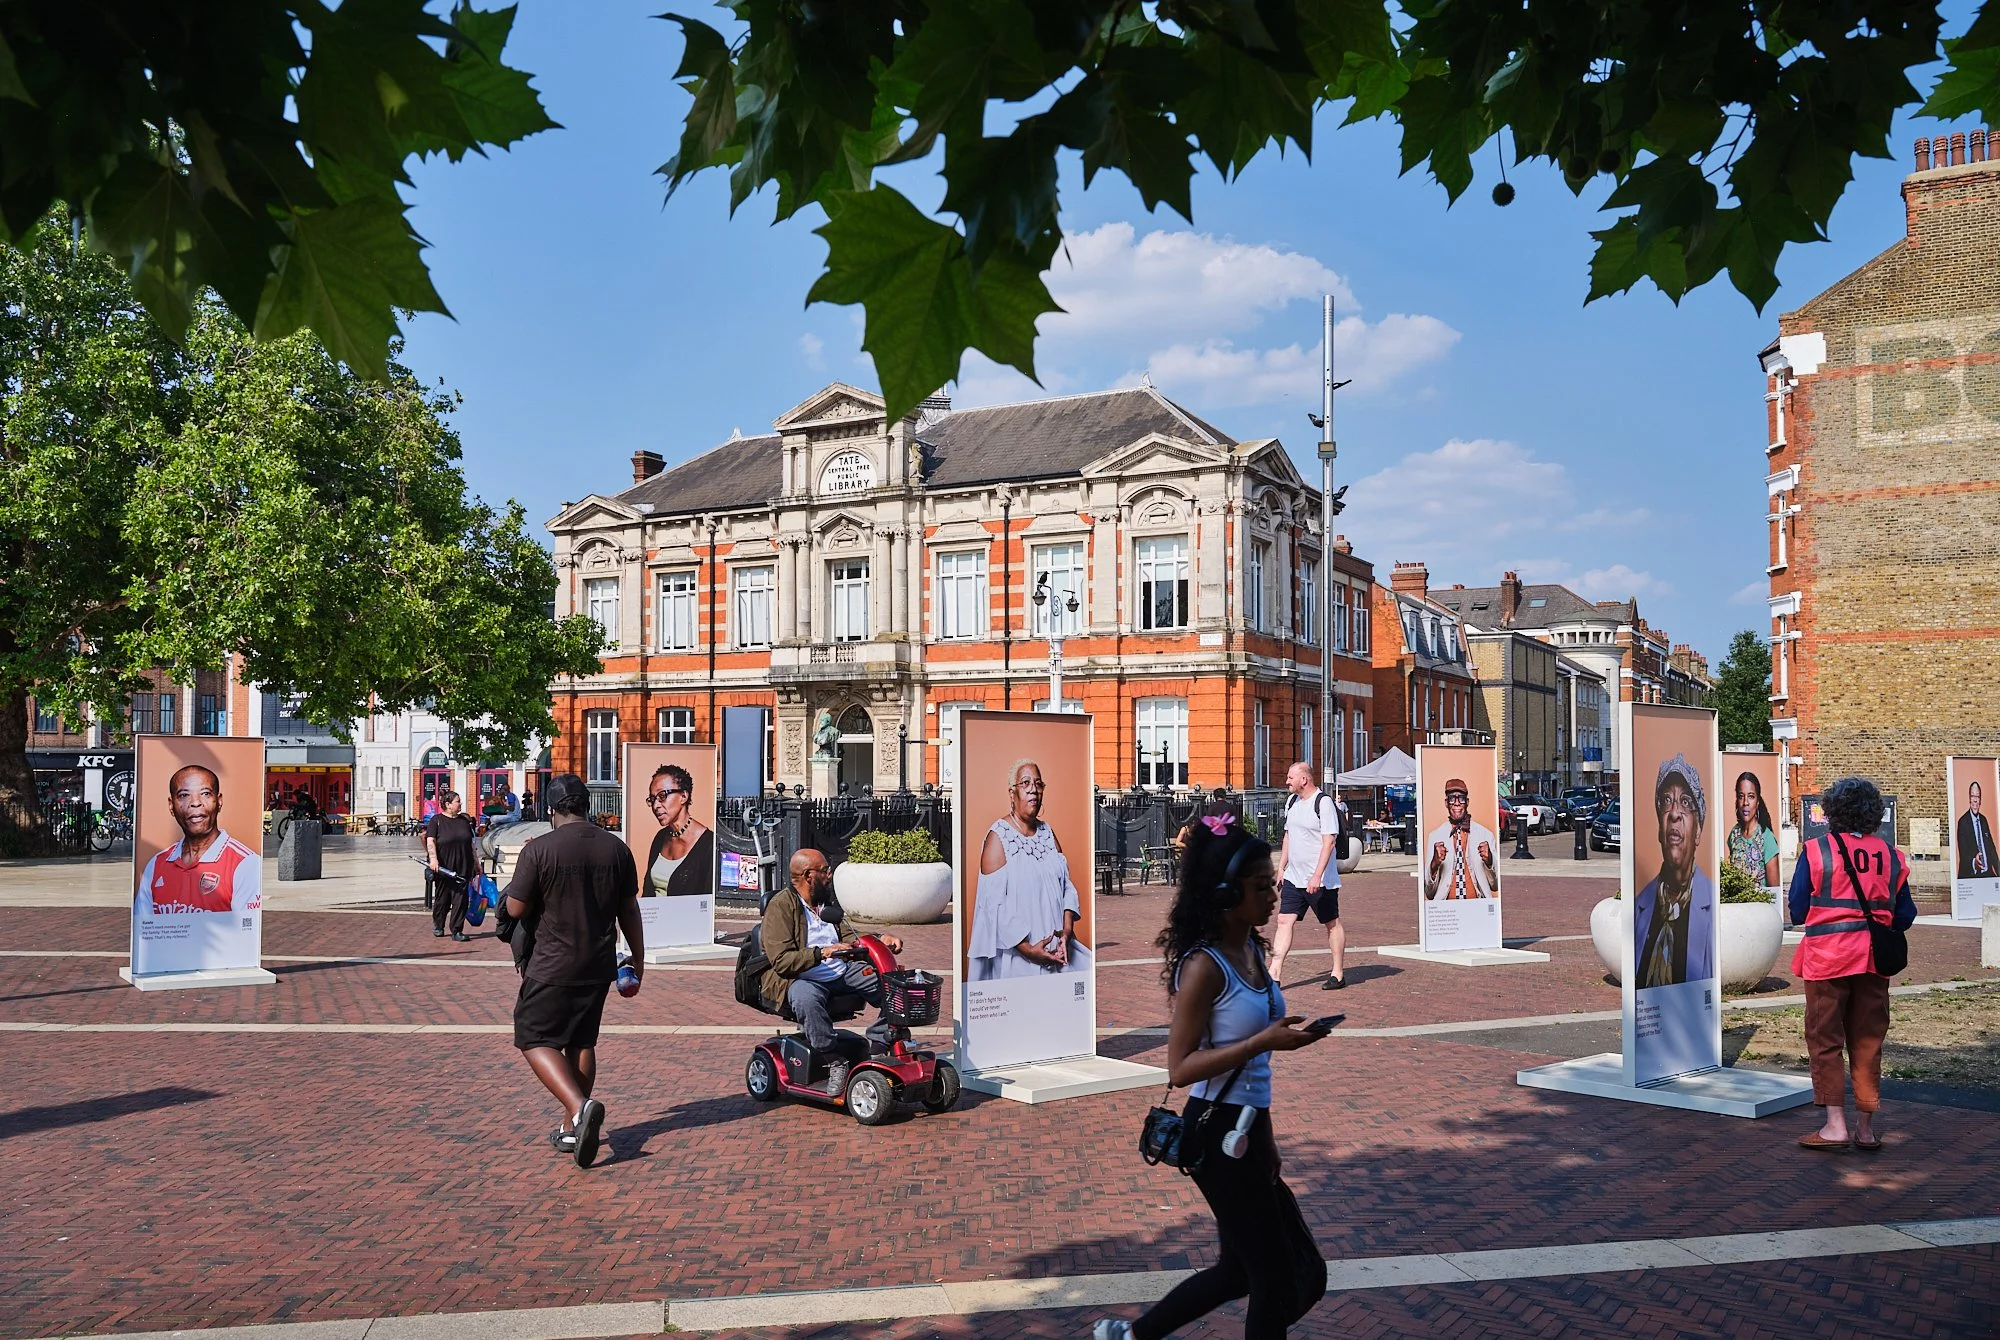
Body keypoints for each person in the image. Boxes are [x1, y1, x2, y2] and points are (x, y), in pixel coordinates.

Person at [1094, 814, 1328, 1340]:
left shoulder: (1253, 949)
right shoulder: (1204, 966)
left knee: (1238, 1271)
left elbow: (1255, 1070)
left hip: (1247, 1126)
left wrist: (1267, 1138)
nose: (1274, 895)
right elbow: (1179, 1067)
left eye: (1273, 883)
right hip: (1217, 1131)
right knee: (1273, 1278)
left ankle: (1132, 1337)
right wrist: (1261, 1041)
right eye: (1262, 886)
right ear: (1225, 891)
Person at [502, 773, 643, 1168]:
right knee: (581, 1041)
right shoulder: (617, 849)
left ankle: (580, 1108)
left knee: (532, 1036)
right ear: (587, 805)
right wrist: (639, 959)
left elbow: (515, 909)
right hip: (598, 962)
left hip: (551, 962)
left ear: (551, 810)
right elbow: (629, 910)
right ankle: (570, 1129)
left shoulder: (540, 850)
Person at [1788, 776, 1916, 1153]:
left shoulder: (1816, 851)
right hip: (1874, 961)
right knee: (1867, 1041)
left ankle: (1834, 1126)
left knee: (1826, 1040)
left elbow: (1797, 909)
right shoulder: (1891, 856)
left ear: (1832, 812)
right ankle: (1865, 1128)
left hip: (1827, 960)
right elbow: (1905, 914)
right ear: (1874, 813)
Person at [757, 848, 903, 1094]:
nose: (830, 874)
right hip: (801, 978)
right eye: (825, 870)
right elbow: (781, 961)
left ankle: (878, 1043)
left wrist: (879, 939)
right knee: (806, 997)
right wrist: (821, 952)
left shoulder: (825, 905)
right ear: (808, 875)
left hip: (841, 971)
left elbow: (849, 935)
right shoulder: (781, 907)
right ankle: (835, 1060)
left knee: (896, 988)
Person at [967, 759, 1089, 980]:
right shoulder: (999, 837)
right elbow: (993, 906)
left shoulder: (1048, 833)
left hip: (1058, 953)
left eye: (1038, 783)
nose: (1033, 788)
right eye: (1025, 783)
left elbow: (1066, 887)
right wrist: (1027, 950)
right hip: (1018, 960)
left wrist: (1067, 931)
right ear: (1011, 792)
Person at [1634, 753, 1717, 989]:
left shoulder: (1711, 904)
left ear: (1699, 829)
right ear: (1660, 828)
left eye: (1686, 803)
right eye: (1666, 801)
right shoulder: (1640, 906)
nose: (1674, 813)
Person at [136, 764, 261, 914]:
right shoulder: (156, 864)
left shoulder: (246, 863)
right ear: (171, 805)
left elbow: (247, 933)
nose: (195, 803)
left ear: (219, 801)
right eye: (184, 795)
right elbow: (144, 931)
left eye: (205, 793)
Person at [1269, 761, 1344, 989]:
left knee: (1331, 923)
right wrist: (1282, 866)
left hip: (1320, 881)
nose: (1287, 781)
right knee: (1284, 920)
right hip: (1294, 877)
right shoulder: (1292, 802)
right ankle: (1274, 973)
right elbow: (1289, 835)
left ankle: (1338, 973)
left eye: (1291, 777)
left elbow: (1329, 842)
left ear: (1304, 779)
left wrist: (1316, 876)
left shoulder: (1324, 803)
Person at [641, 764, 715, 896]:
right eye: (652, 799)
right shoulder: (660, 837)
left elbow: (708, 902)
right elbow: (648, 891)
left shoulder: (709, 844)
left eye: (662, 796)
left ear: (683, 796)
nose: (656, 805)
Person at [1422, 777, 1499, 901]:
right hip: (1448, 912)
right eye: (1452, 798)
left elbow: (1495, 886)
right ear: (1446, 803)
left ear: (1467, 802)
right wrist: (1434, 864)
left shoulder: (1485, 835)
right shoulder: (1435, 836)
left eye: (1461, 799)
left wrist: (1490, 861)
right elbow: (1429, 893)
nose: (1457, 803)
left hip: (1478, 908)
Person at [425, 790, 478, 942]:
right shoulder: (437, 820)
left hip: (463, 865)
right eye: (457, 801)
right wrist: (433, 859)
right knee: (442, 899)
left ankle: (456, 930)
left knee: (460, 900)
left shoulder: (463, 821)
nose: (460, 804)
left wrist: (476, 862)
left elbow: (471, 844)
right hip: (443, 867)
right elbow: (431, 841)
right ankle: (439, 925)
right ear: (447, 804)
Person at [1727, 771, 1781, 887]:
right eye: (1741, 796)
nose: (1745, 802)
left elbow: (1775, 892)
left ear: (1757, 802)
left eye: (1751, 796)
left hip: (1760, 905)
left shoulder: (1767, 838)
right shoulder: (1734, 834)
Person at [1955, 779, 1995, 879]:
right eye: (1973, 796)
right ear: (1969, 798)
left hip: (1987, 874)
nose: (1975, 800)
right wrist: (1974, 862)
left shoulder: (1983, 820)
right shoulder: (1962, 822)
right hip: (1971, 875)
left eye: (1978, 796)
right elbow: (1963, 854)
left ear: (1980, 799)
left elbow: (1992, 849)